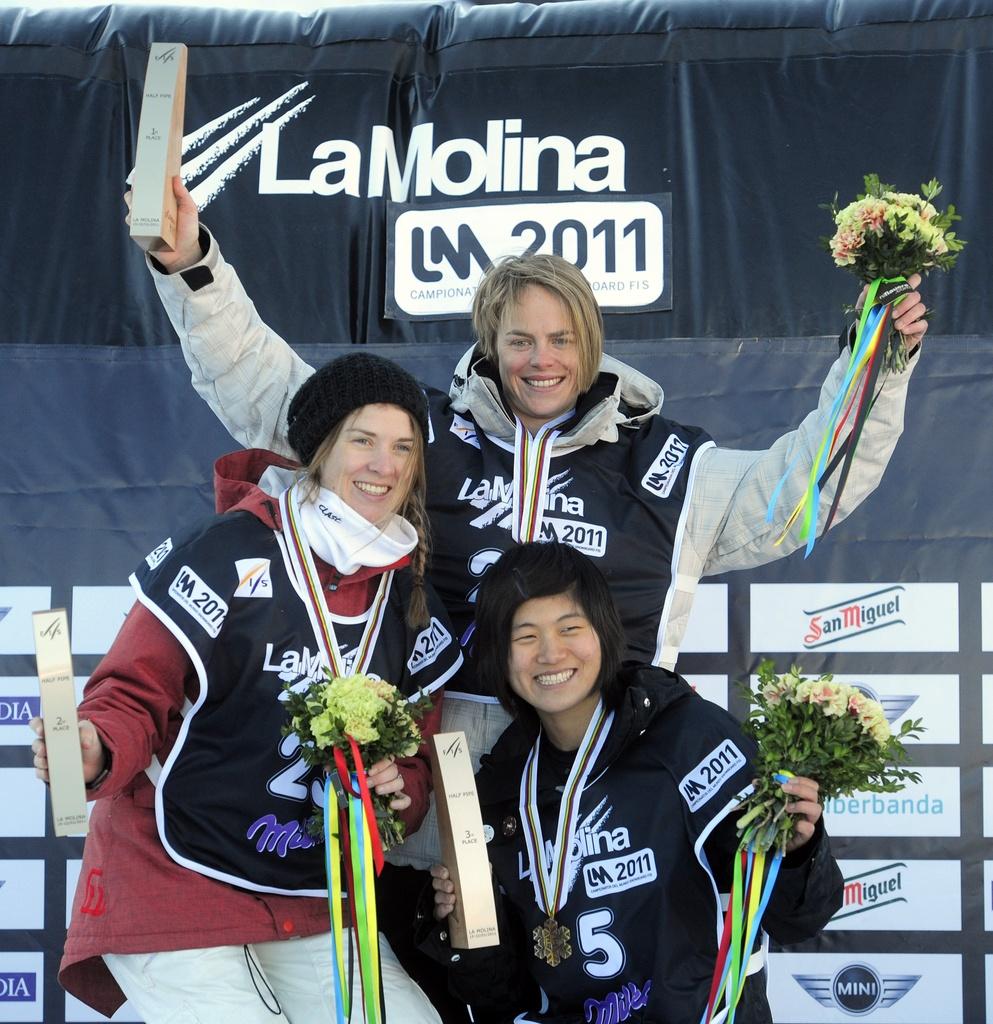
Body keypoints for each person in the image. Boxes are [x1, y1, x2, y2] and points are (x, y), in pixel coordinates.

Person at [131, 178, 930, 811]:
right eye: (518, 340)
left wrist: (876, 364)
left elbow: (802, 492)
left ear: (590, 342)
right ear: (490, 343)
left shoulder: (669, 463)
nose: (540, 361)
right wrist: (192, 265)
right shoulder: (416, 433)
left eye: (560, 339)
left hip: (601, 770)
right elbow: (270, 393)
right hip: (424, 770)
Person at [30, 352, 463, 1023]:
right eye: (363, 441)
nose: (384, 465)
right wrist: (96, 749)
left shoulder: (408, 599)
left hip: (307, 890)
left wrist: (390, 796)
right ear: (319, 450)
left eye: (403, 447)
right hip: (172, 870)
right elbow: (132, 691)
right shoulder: (225, 551)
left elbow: (410, 767)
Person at [423, 542, 843, 1023]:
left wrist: (795, 855)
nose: (550, 653)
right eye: (525, 636)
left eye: (569, 628)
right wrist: (464, 927)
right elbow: (499, 994)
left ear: (603, 631)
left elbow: (795, 919)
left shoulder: (689, 738)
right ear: (499, 654)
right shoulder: (501, 788)